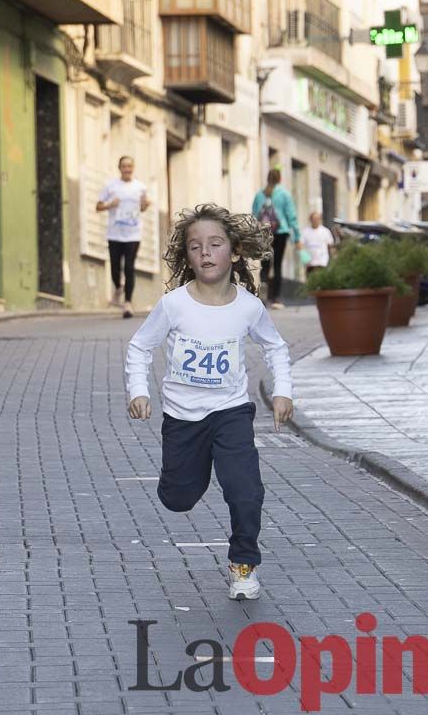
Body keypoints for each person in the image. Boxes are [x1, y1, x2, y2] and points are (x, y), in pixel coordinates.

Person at [125, 204, 294, 601]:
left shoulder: (248, 307)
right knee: (178, 497)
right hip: (182, 418)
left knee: (244, 488)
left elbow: (276, 347)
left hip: (230, 413)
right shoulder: (174, 305)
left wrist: (283, 391)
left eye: (215, 244)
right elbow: (139, 346)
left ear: (234, 252)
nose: (205, 252)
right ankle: (191, 475)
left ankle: (243, 564)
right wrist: (138, 391)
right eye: (195, 246)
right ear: (188, 256)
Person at [97, 156, 150, 318]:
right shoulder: (110, 186)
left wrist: (145, 204)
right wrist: (109, 205)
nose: (127, 169)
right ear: (119, 168)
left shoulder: (140, 187)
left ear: (133, 168)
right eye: (124, 166)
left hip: (133, 234)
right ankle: (118, 286)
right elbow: (98, 206)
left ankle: (128, 303)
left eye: (130, 166)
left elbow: (142, 208)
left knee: (129, 267)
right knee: (114, 267)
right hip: (114, 233)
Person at [251, 169, 301, 309]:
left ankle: (263, 297)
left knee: (265, 265)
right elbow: (291, 216)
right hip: (280, 232)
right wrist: (297, 236)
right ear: (280, 179)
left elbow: (254, 216)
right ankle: (276, 299)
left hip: (264, 233)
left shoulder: (259, 195)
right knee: (277, 265)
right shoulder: (284, 194)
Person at [299, 212, 336, 277]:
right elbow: (300, 245)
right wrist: (305, 259)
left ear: (320, 219)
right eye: (314, 219)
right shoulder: (305, 232)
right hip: (310, 264)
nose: (315, 221)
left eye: (317, 219)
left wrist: (333, 260)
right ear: (310, 220)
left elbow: (330, 246)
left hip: (322, 263)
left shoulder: (325, 231)